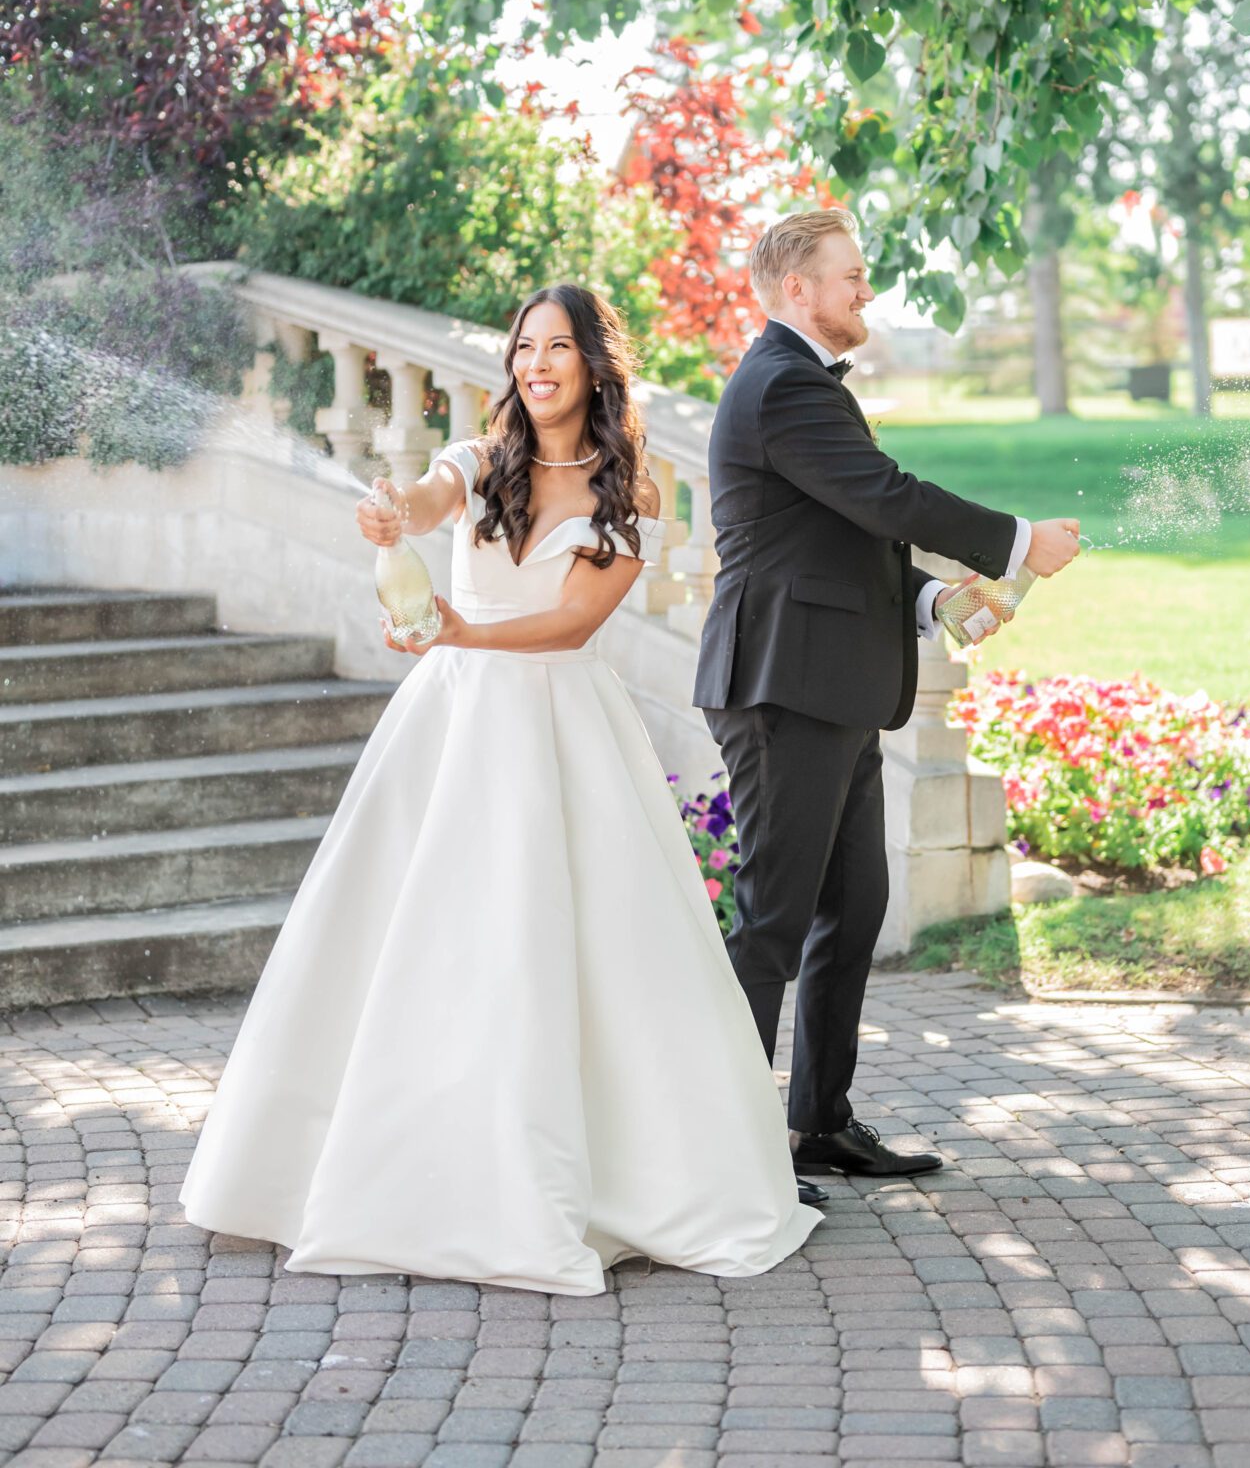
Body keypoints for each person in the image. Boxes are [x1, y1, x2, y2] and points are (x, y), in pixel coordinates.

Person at [180, 284, 821, 1295]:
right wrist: (396, 512)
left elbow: (572, 621)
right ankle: (378, 1164)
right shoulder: (480, 462)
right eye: (525, 347)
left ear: (594, 365)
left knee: (572, 942)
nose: (536, 364)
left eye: (558, 347)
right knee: (415, 928)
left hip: (561, 726)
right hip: (452, 721)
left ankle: (600, 1170)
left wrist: (461, 629)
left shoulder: (629, 488)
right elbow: (433, 495)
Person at [695, 210, 1081, 1197]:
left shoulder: (799, 386)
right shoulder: (782, 384)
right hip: (782, 687)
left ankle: (819, 1122)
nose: (867, 290)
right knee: (773, 918)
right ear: (796, 289)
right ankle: (723, 1149)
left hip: (830, 683)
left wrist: (930, 597)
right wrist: (1015, 539)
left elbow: (840, 534)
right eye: (852, 275)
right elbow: (887, 496)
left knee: (852, 902)